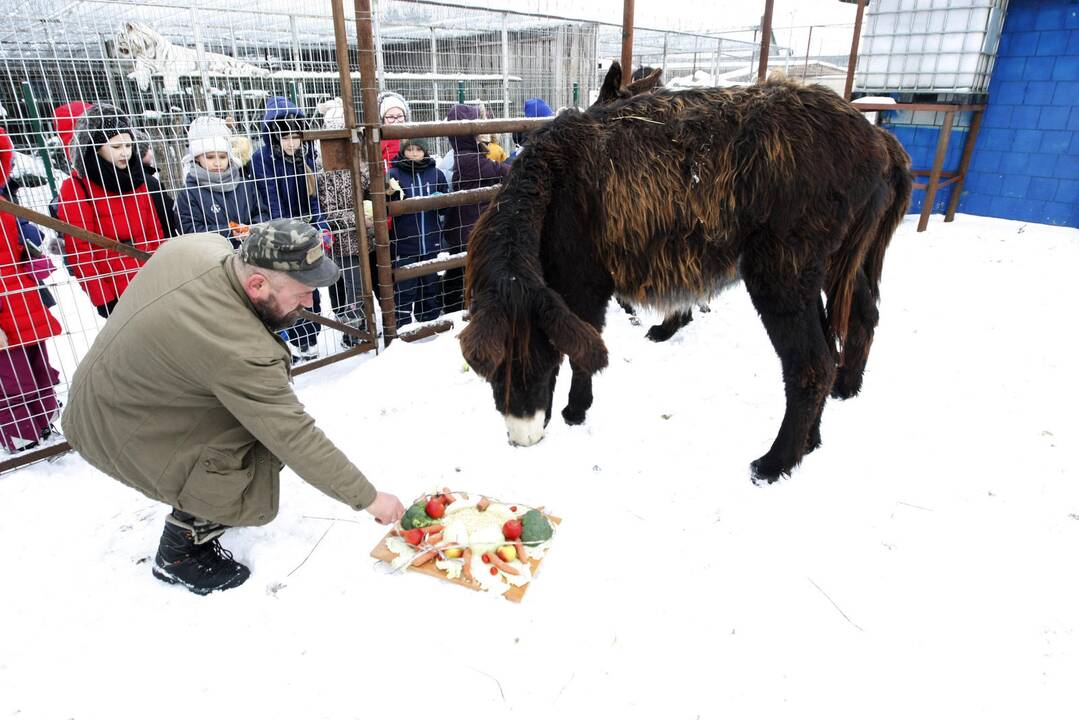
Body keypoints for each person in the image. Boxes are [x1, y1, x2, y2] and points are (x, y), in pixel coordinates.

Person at [61, 218, 406, 595]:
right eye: (303, 292)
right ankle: (180, 551)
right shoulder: (240, 350)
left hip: (114, 392)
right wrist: (370, 499)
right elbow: (292, 434)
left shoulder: (198, 248)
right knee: (256, 444)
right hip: (116, 427)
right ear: (257, 285)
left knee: (253, 419)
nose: (311, 302)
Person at [54, 103, 177, 318]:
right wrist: (104, 299)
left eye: (129, 146)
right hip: (117, 288)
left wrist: (165, 274)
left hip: (153, 280)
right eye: (116, 147)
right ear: (96, 146)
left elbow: (155, 232)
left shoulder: (137, 179)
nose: (125, 153)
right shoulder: (77, 188)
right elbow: (81, 251)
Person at [0, 128, 63, 453]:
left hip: (23, 296)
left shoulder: (7, 201)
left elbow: (25, 237)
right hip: (5, 305)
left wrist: (31, 244)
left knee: (39, 365)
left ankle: (44, 420)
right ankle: (21, 434)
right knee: (12, 377)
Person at [250, 97, 326, 360]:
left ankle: (312, 335)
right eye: (284, 136)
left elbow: (314, 196)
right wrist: (286, 234)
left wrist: (321, 224)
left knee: (310, 286)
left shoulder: (306, 157)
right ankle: (297, 338)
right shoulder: (263, 159)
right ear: (273, 136)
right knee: (287, 288)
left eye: (296, 135)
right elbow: (270, 198)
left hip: (308, 232)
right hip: (282, 234)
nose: (291, 142)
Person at [441, 103, 511, 314]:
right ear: (467, 132)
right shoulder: (468, 158)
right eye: (477, 124)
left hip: (466, 224)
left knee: (462, 268)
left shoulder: (469, 152)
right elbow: (499, 169)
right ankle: (457, 309)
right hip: (467, 226)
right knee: (464, 269)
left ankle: (456, 306)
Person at [316, 98, 371, 345]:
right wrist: (361, 217)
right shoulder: (327, 175)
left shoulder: (362, 167)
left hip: (367, 239)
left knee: (367, 285)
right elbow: (330, 212)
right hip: (346, 241)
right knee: (352, 289)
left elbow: (371, 194)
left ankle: (367, 326)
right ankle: (353, 332)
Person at [384, 138, 447, 327]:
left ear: (425, 152)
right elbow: (384, 205)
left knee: (430, 284)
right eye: (409, 149)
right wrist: (390, 194)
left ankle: (429, 326)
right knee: (405, 287)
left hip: (431, 241)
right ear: (403, 151)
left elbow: (446, 206)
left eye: (418, 150)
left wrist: (441, 201)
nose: (413, 153)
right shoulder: (393, 174)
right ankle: (402, 327)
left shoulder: (436, 174)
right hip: (404, 242)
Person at [175, 116, 265, 246]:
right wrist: (229, 232)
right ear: (197, 158)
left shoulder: (245, 184)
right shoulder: (189, 192)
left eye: (222, 157)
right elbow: (190, 230)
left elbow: (263, 213)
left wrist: (252, 228)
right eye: (210, 157)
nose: (217, 163)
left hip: (250, 251)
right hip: (212, 256)